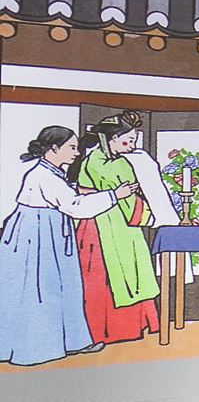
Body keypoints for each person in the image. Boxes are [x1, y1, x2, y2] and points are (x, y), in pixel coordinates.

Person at [0, 127, 136, 366]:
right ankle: (39, 348)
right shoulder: (44, 176)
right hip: (38, 236)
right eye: (71, 147)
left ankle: (72, 341)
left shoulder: (50, 173)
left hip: (46, 231)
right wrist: (114, 195)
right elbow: (75, 207)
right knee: (41, 289)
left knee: (65, 286)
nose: (76, 152)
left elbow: (68, 196)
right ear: (54, 149)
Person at [69, 111, 160, 344]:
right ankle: (113, 331)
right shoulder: (109, 164)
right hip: (105, 226)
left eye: (134, 141)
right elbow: (128, 200)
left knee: (118, 275)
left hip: (109, 224)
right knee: (108, 277)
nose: (132, 146)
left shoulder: (98, 160)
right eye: (127, 141)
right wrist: (153, 215)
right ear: (110, 139)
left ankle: (111, 331)